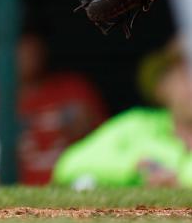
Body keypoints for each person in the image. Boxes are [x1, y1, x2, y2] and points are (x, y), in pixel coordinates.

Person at [0, 24, 107, 185]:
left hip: (72, 183)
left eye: (27, 43)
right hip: (13, 190)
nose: (22, 52)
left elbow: (105, 145)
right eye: (13, 45)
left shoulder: (71, 88)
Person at [52, 40, 192, 187]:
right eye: (184, 76)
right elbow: (68, 166)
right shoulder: (136, 124)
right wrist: (135, 169)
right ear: (160, 87)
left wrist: (179, 179)